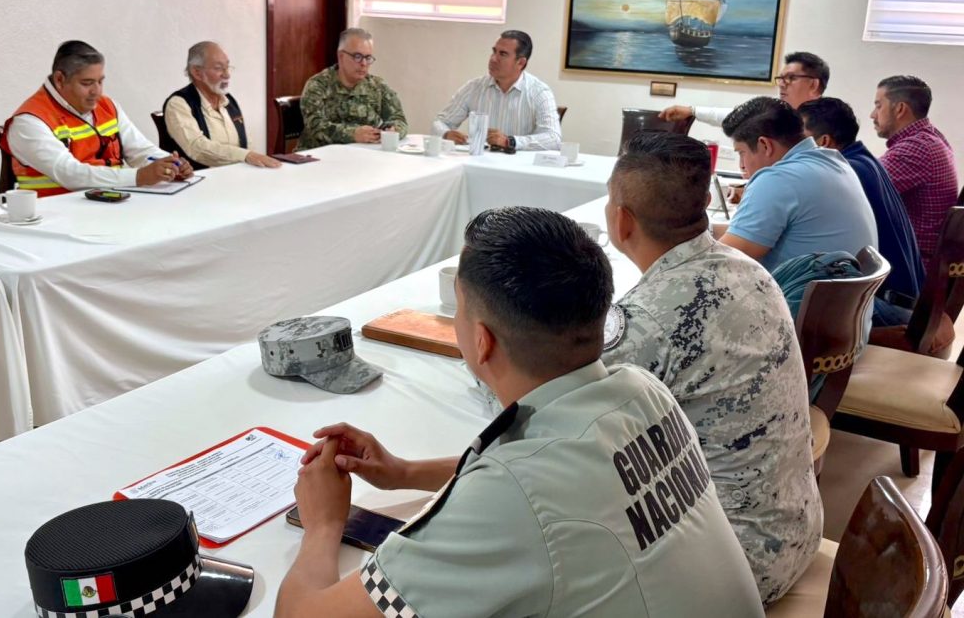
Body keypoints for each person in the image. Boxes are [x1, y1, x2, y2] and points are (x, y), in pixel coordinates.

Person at [275, 207, 764, 617]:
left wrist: (324, 523)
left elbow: (302, 616)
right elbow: (555, 484)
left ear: (481, 341)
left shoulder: (509, 497)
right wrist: (403, 473)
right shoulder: (642, 390)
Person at [601, 132, 821, 606]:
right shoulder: (749, 270)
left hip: (730, 569)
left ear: (621, 220)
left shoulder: (648, 319)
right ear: (704, 205)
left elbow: (561, 415)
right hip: (795, 528)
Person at [0, 40, 191, 196]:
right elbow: (70, 174)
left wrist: (169, 165)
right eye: (87, 83)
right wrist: (139, 176)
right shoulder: (29, 121)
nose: (97, 92)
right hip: (56, 216)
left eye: (100, 81)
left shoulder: (108, 106)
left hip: (112, 203)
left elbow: (140, 150)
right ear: (59, 80)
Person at [799, 97, 925, 325]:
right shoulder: (863, 161)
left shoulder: (843, 174)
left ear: (824, 141)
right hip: (906, 300)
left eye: (798, 139)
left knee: (788, 303)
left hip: (889, 306)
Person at [718, 96, 877, 272]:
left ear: (765, 145)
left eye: (741, 152)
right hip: (839, 286)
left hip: (797, 290)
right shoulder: (835, 162)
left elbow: (724, 261)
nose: (741, 165)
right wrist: (707, 231)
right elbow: (743, 235)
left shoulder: (777, 178)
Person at [872, 75, 957, 266]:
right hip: (923, 262)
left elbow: (857, 188)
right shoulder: (933, 138)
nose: (873, 115)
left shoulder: (916, 148)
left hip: (911, 268)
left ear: (900, 109)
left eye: (878, 106)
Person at [432, 30, 562, 151]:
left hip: (517, 165)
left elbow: (553, 138)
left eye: (503, 54)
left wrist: (510, 141)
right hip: (478, 161)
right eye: (494, 51)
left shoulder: (539, 92)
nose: (493, 59)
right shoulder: (474, 87)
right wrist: (446, 134)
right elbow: (440, 123)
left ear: (521, 63)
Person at [163, 41, 279, 169]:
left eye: (227, 67)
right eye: (218, 68)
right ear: (197, 72)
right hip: (200, 178)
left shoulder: (228, 101)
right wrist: (246, 156)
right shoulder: (178, 104)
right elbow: (197, 148)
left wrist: (256, 161)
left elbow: (247, 143)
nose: (227, 74)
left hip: (236, 175)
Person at [296, 28, 408, 151]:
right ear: (341, 56)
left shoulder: (377, 86)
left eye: (368, 58)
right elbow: (315, 127)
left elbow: (399, 119)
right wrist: (352, 134)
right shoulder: (318, 85)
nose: (364, 63)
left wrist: (392, 130)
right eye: (357, 56)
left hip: (362, 155)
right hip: (319, 155)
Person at [659, 51, 829, 127]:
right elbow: (736, 116)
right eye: (781, 78)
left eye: (791, 78)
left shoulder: (827, 123)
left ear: (813, 85)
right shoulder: (781, 114)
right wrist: (692, 111)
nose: (782, 84)